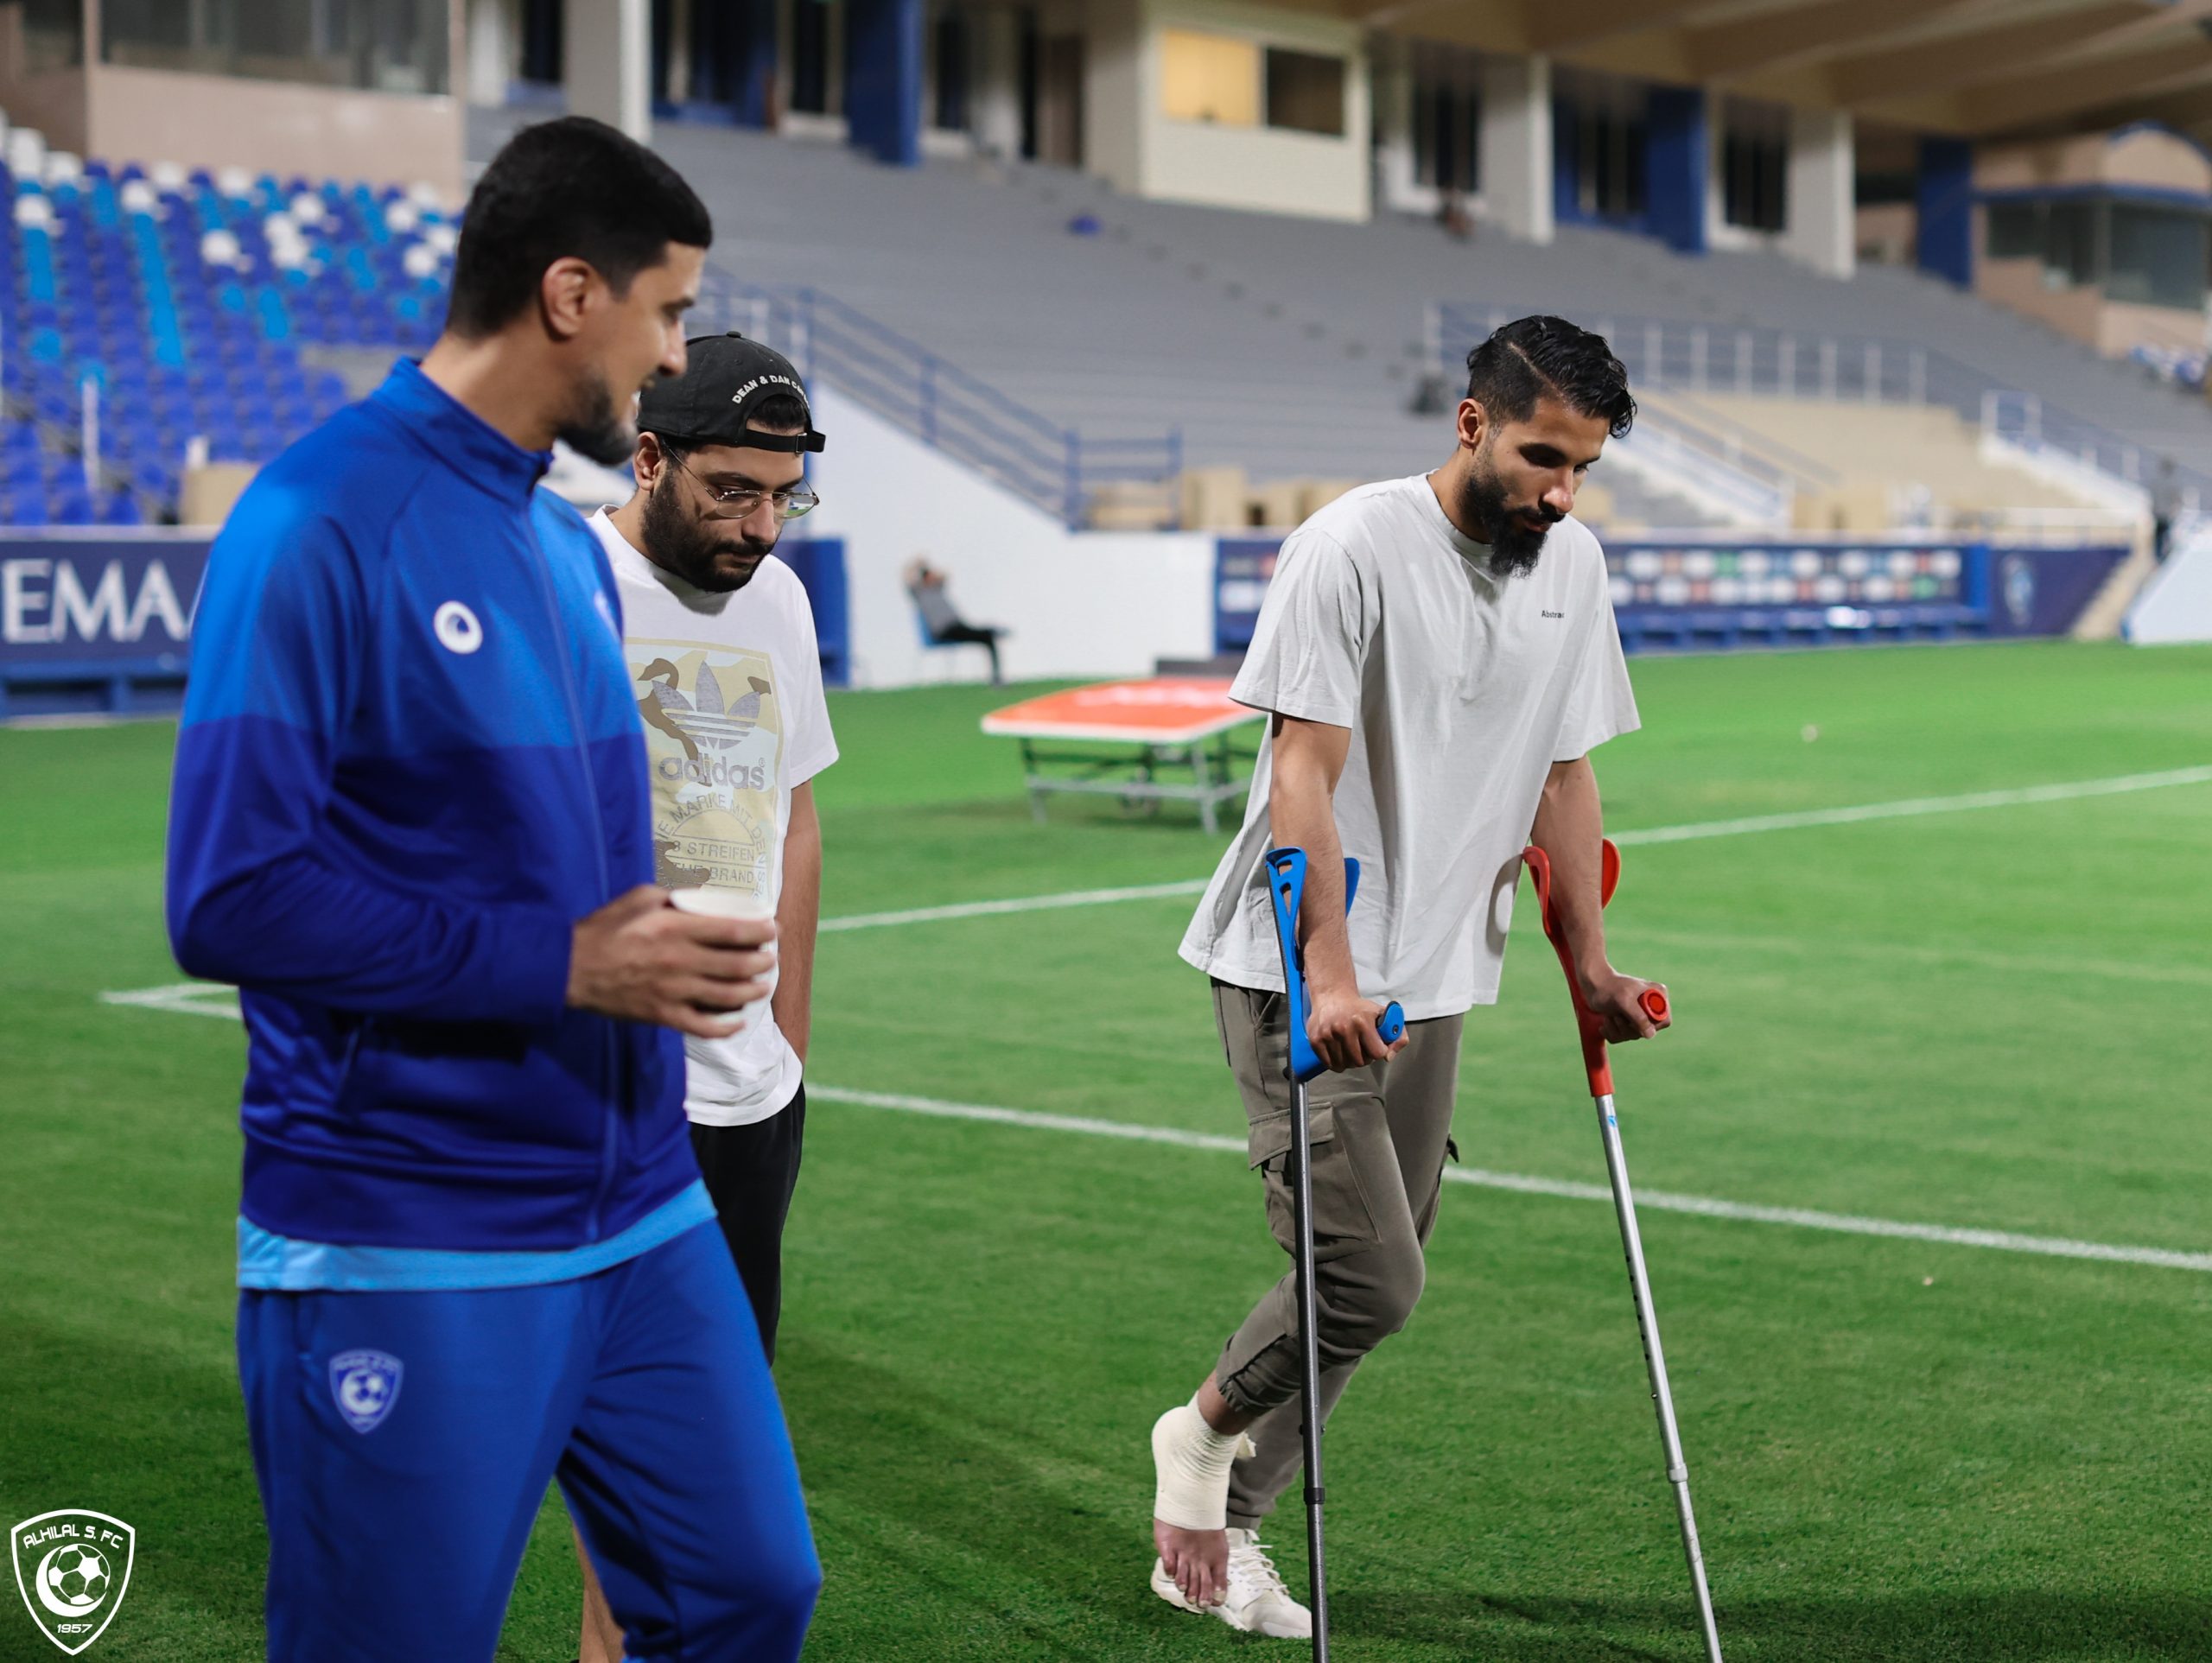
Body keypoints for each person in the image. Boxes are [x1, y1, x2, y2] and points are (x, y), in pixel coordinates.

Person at [164, 117, 820, 1663]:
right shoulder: (319, 520)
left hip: (638, 1201)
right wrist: (567, 965)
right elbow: (230, 897)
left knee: (747, 1587)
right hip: (412, 1220)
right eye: (668, 315)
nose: (671, 358)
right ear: (573, 294)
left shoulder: (557, 544)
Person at [1150, 314, 1669, 1638]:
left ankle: (1228, 1521)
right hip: (1307, 970)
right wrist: (1327, 966)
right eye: (1544, 458)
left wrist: (1591, 960)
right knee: (1370, 1278)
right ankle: (1198, 1447)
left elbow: (1566, 770)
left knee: (1371, 1283)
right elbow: (1300, 776)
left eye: (1584, 470)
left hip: (1443, 976)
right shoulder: (1351, 546)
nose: (1561, 493)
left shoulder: (1575, 563)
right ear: (1473, 422)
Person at [570, 333, 837, 1663]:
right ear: (652, 456)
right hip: (589, 1086)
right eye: (734, 490)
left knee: (696, 1447)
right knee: (597, 1445)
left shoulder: (778, 598)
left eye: (783, 495)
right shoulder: (558, 578)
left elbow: (792, 821)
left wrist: (788, 1047)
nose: (761, 524)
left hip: (749, 1095)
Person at [905, 555, 1007, 682]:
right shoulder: (920, 593)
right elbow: (906, 577)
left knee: (986, 638)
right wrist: (916, 565)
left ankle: (997, 677)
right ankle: (992, 631)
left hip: (958, 627)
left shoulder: (937, 589)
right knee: (985, 634)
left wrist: (930, 567)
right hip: (944, 631)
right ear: (924, 579)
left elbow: (945, 575)